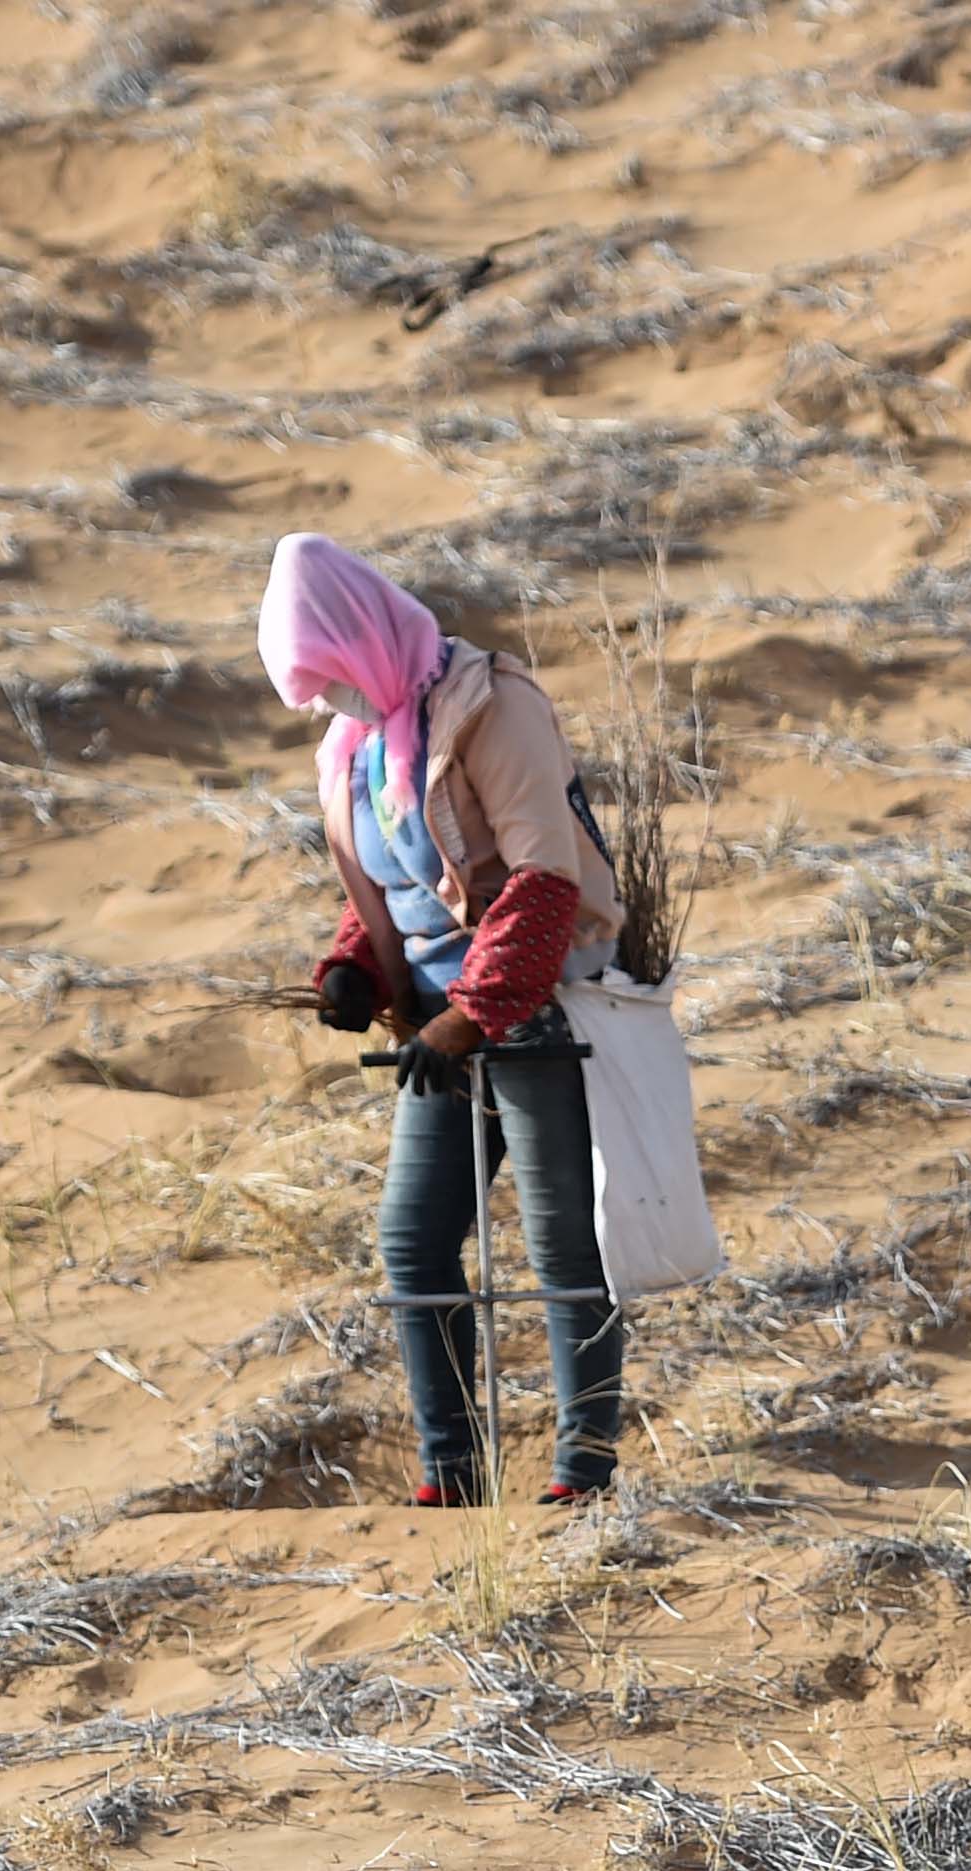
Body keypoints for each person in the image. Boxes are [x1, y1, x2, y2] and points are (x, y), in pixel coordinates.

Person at [259, 533, 630, 1507]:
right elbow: (399, 879)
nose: (319, 702)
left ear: (361, 640)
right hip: (435, 1024)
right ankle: (450, 1471)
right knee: (413, 1241)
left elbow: (542, 876)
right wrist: (351, 970)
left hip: (538, 1009)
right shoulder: (358, 740)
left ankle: (583, 1469)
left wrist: (475, 1014)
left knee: (560, 1249)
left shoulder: (491, 706)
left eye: (325, 677)